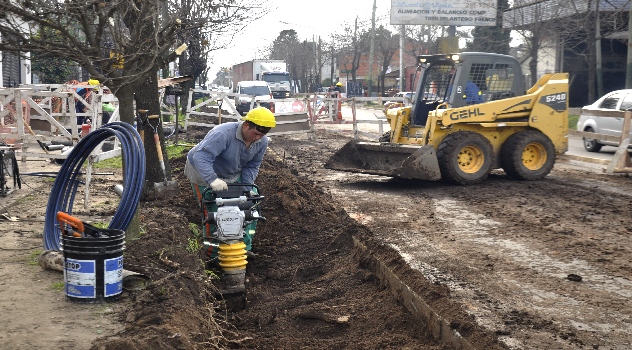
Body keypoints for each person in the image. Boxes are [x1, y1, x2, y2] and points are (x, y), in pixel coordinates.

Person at [184, 106, 276, 264]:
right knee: (213, 213)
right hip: (203, 172)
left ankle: (243, 249)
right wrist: (212, 180)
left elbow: (252, 166)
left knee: (250, 209)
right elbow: (201, 157)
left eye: (262, 135)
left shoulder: (261, 141)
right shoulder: (223, 134)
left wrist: (246, 189)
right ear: (246, 125)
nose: (257, 138)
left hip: (232, 173)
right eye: (256, 133)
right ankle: (212, 255)